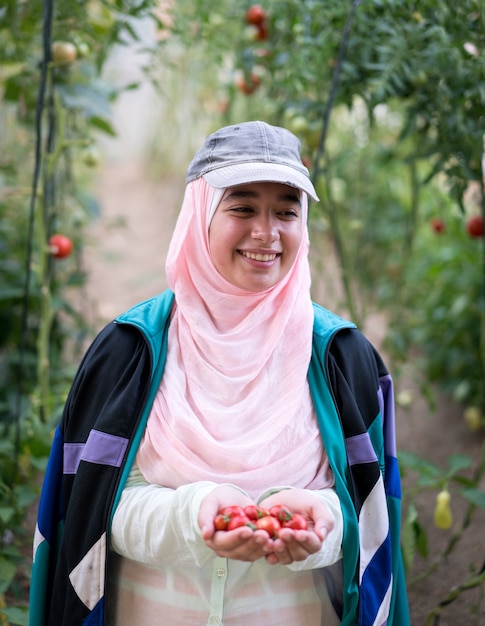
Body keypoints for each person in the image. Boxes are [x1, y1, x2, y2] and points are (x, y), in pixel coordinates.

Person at [29, 120, 410, 625]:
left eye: (287, 211)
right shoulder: (130, 351)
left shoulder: (343, 358)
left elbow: (371, 522)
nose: (266, 232)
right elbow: (90, 515)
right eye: (243, 207)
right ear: (199, 214)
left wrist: (325, 523)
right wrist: (195, 514)